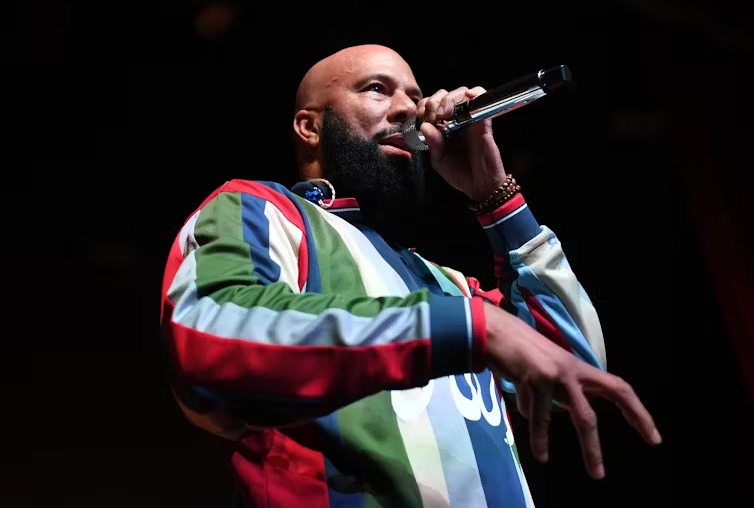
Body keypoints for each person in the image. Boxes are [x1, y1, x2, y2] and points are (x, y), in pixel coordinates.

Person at [159, 44, 662, 507]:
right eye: (377, 89)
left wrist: (496, 198)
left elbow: (574, 373)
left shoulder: (449, 287)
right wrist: (470, 328)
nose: (408, 109)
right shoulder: (259, 210)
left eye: (415, 97)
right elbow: (209, 339)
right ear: (309, 127)